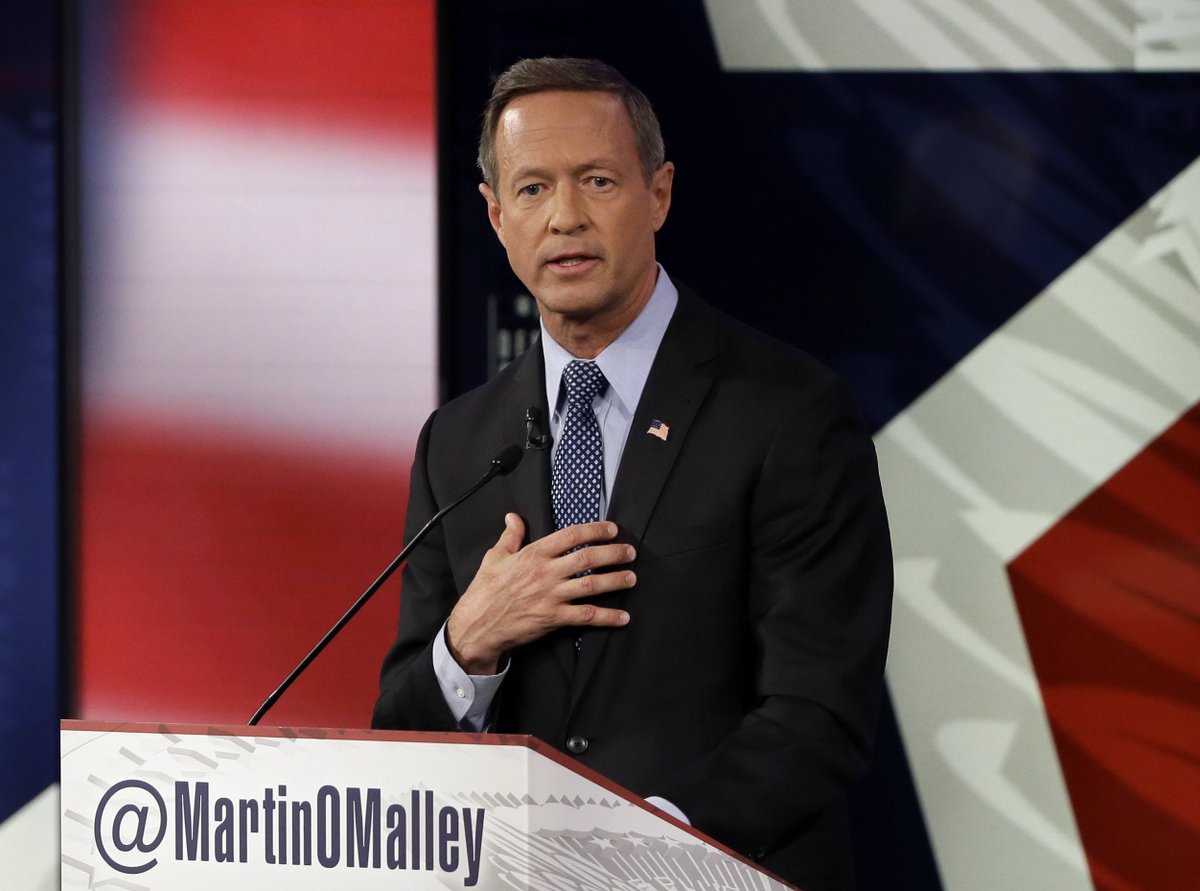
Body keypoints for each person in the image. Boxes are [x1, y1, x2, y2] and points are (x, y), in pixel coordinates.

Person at [373, 57, 892, 890]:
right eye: (533, 188)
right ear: (496, 214)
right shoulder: (458, 443)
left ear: (659, 193)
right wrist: (468, 643)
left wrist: (640, 851)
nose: (565, 216)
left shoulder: (789, 413)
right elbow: (400, 738)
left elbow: (819, 712)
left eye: (598, 180)